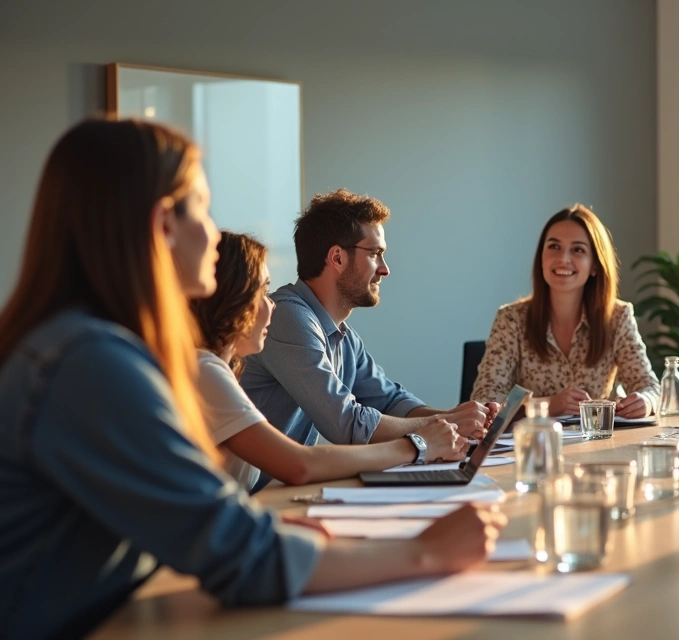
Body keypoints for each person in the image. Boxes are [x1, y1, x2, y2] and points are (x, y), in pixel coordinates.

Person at [0, 120, 504, 639]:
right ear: (162, 225)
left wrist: (267, 531)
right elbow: (240, 556)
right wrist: (425, 550)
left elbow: (183, 524)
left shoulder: (86, 348)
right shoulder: (91, 363)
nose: (214, 234)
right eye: (203, 207)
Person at [240, 189, 497, 491]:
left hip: (275, 495)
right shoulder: (287, 317)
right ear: (337, 257)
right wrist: (444, 427)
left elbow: (390, 400)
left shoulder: (343, 337)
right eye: (375, 254)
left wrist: (458, 417)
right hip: (247, 502)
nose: (385, 269)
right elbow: (347, 425)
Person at [191, 231, 466, 491]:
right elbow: (300, 464)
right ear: (231, 300)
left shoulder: (220, 370)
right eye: (261, 291)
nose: (271, 304)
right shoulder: (208, 370)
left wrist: (452, 420)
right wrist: (418, 444)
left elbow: (388, 398)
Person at [470, 204, 661, 417]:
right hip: (532, 445)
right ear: (541, 257)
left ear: (595, 265)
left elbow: (650, 387)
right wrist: (548, 405)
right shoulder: (511, 319)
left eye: (578, 250)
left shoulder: (617, 317)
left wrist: (646, 401)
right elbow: (484, 402)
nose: (563, 259)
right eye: (554, 247)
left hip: (596, 445)